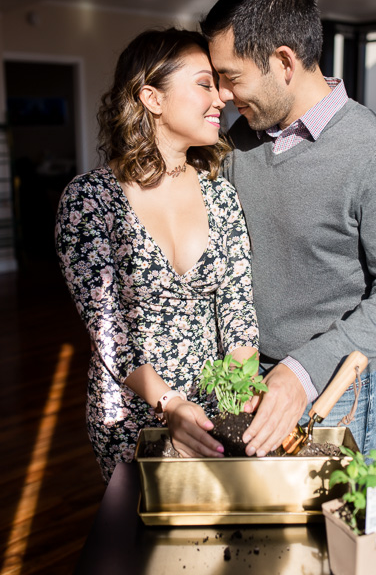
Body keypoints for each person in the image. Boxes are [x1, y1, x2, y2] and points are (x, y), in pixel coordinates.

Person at [200, 0, 376, 459]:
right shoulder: (238, 141)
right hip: (246, 380)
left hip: (339, 388)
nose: (222, 94)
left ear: (284, 61)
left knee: (329, 529)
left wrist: (302, 371)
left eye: (231, 76)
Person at [55, 28, 259, 482]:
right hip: (131, 415)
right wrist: (170, 404)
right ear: (152, 97)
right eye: (204, 83)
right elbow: (108, 329)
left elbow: (237, 306)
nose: (221, 97)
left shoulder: (221, 196)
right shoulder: (89, 199)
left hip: (212, 413)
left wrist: (239, 395)